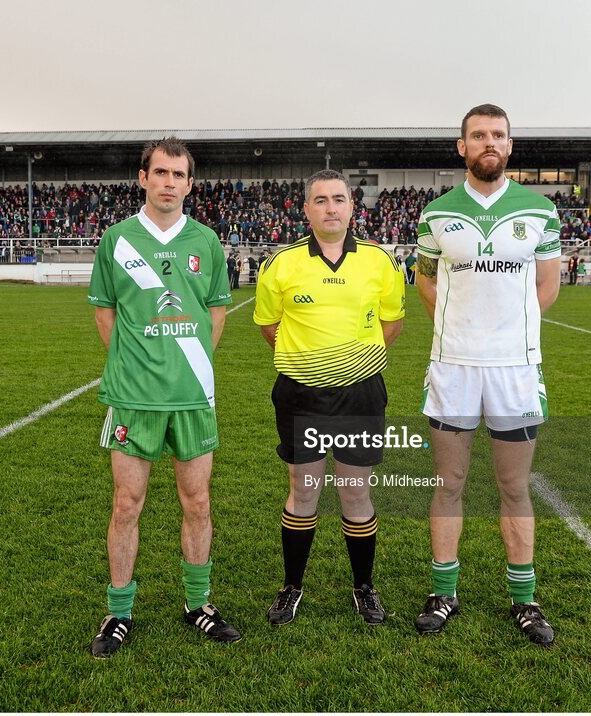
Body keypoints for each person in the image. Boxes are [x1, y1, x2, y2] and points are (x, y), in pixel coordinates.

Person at [87, 138, 240, 657]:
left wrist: (190, 363)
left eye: (179, 174)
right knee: (126, 503)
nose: (169, 182)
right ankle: (119, 611)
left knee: (196, 501)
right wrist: (136, 365)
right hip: (133, 398)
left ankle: (198, 603)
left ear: (190, 184)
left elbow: (217, 311)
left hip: (193, 396)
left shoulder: (208, 242)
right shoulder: (116, 240)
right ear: (143, 178)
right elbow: (105, 312)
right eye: (161, 172)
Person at [414, 104, 560, 646]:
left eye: (497, 134)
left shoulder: (541, 210)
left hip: (515, 371)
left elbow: (547, 287)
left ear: (510, 144)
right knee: (448, 484)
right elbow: (425, 283)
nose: (488, 142)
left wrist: (508, 337)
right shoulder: (436, 215)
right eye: (478, 135)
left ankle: (524, 600)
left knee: (514, 487)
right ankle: (443, 591)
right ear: (462, 146)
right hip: (453, 368)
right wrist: (460, 333)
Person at [254, 169, 405, 627]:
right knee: (303, 490)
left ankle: (364, 588)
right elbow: (268, 327)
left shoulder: (381, 261)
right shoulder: (280, 264)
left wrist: (350, 362)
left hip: (360, 395)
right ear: (306, 210)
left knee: (355, 492)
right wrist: (312, 365)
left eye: (338, 199)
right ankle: (291, 587)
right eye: (320, 200)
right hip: (302, 395)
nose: (331, 207)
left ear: (352, 206)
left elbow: (391, 324)